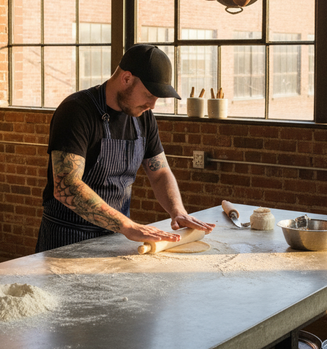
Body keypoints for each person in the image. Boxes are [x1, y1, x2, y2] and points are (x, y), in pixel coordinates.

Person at [35, 43, 215, 252]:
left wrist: (178, 211)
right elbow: (67, 186)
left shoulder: (143, 117)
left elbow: (160, 172)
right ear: (126, 78)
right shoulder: (76, 111)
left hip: (114, 237)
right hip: (66, 239)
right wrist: (128, 226)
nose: (153, 105)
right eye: (149, 94)